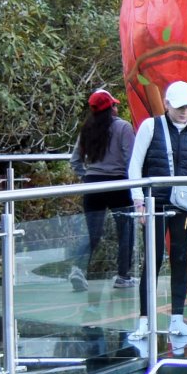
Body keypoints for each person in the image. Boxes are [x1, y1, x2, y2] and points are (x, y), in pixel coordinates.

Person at [127, 80, 187, 340]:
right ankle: (144, 320)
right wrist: (139, 202)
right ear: (167, 104)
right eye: (180, 107)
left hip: (183, 206)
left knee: (179, 259)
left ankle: (177, 318)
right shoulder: (150, 126)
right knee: (152, 260)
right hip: (155, 205)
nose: (185, 112)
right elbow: (135, 166)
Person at [69, 88, 135, 291]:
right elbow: (130, 158)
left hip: (93, 184)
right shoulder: (123, 127)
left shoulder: (87, 129)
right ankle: (123, 276)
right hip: (119, 184)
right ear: (112, 108)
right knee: (126, 230)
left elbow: (75, 161)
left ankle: (77, 269)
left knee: (92, 233)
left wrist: (86, 175)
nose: (117, 107)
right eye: (115, 104)